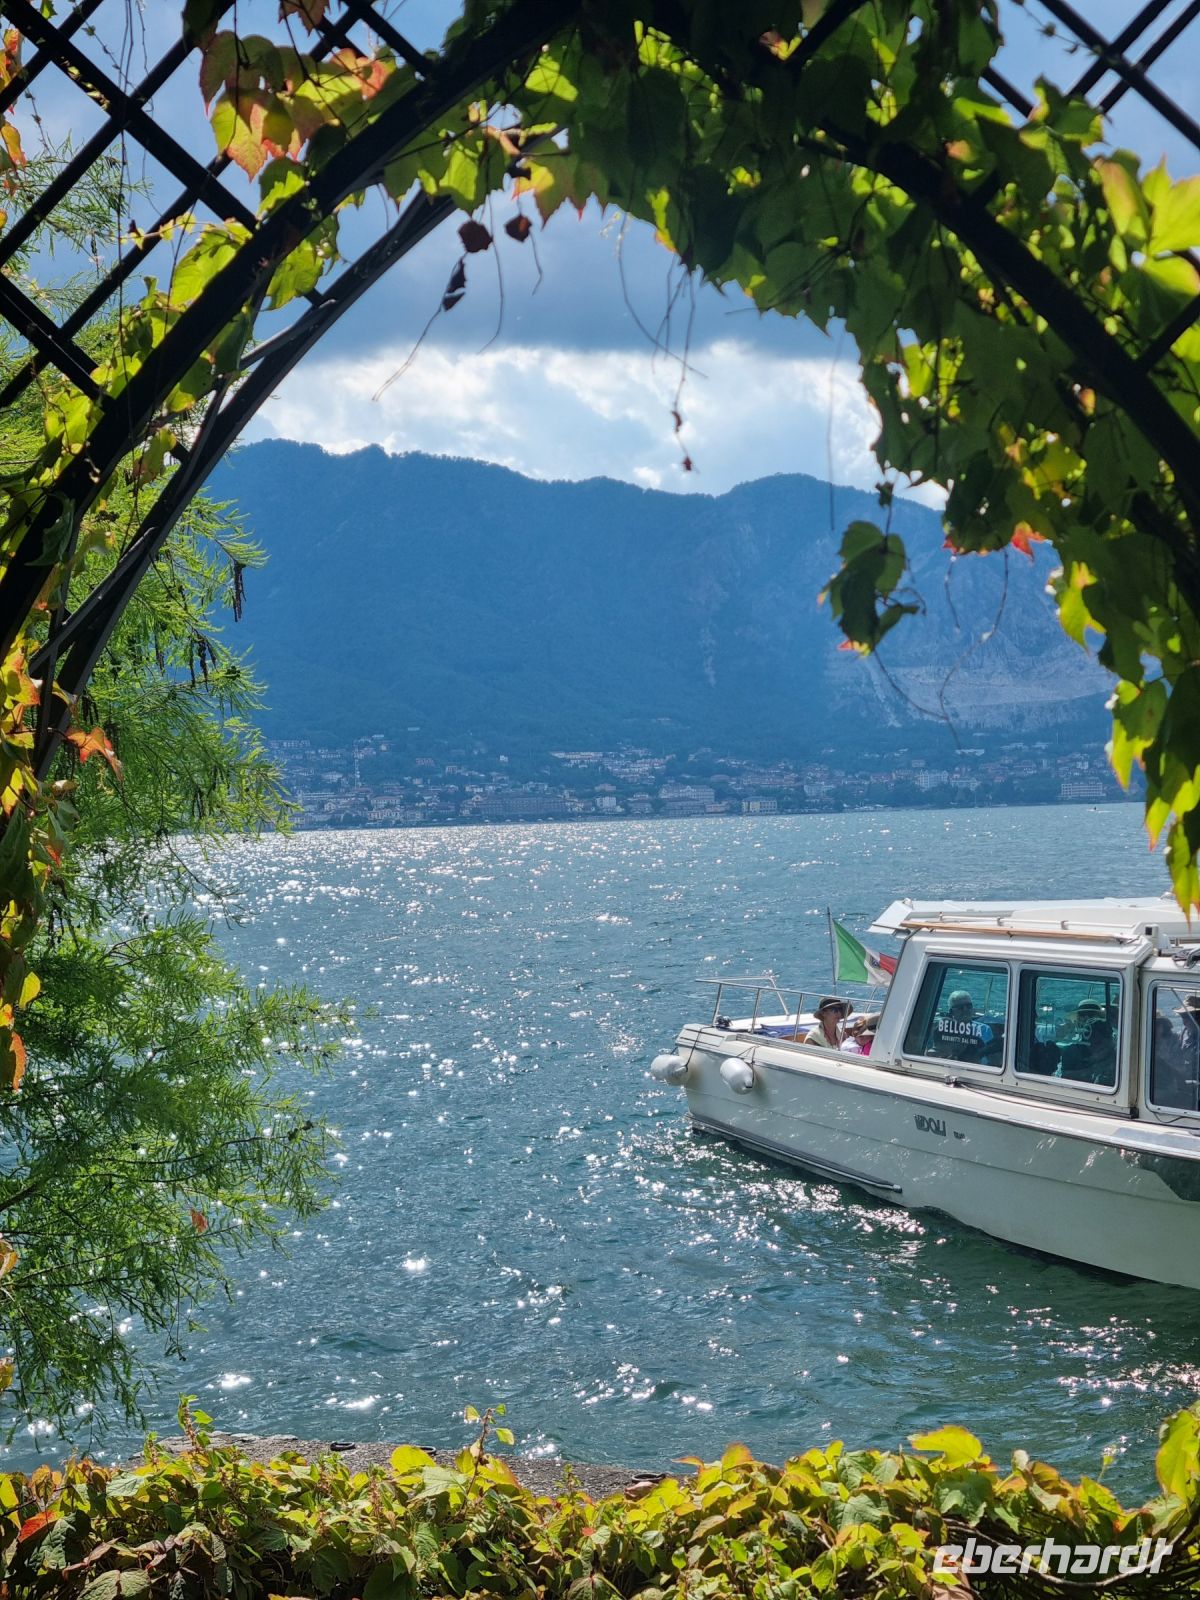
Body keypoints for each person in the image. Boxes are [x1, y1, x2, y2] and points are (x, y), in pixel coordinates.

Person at [1057, 997, 1116, 1084]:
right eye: (1082, 1015)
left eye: (1091, 1015)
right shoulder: (1072, 1050)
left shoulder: (1112, 1040)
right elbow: (1065, 1075)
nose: (1086, 1018)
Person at [931, 990, 994, 1063]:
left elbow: (990, 1059)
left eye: (969, 1006)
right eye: (960, 1007)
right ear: (951, 1012)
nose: (965, 1009)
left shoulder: (984, 1029)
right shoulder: (942, 1029)